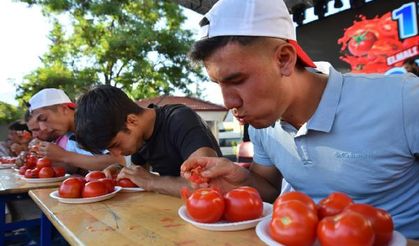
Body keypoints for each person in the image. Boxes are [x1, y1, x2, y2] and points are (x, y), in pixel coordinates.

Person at [180, 0, 419, 239]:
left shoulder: (404, 99)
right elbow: (271, 190)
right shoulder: (263, 126)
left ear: (284, 59)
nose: (228, 102)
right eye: (219, 84)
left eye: (237, 80)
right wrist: (238, 177)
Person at [75, 85, 222, 197]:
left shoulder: (180, 119)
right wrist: (122, 171)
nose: (116, 153)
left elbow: (207, 185)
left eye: (115, 145)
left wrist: (151, 181)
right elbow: (140, 174)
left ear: (131, 121)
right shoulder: (140, 138)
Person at [27, 88, 124, 173]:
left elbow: (119, 161)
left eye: (44, 119)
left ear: (63, 109)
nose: (43, 128)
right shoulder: (69, 136)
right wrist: (44, 159)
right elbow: (76, 167)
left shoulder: (92, 121)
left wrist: (63, 156)